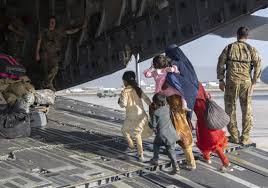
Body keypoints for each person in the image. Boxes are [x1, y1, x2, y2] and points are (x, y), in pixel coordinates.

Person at [217, 26, 262, 145]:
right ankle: (245, 137)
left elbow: (221, 63)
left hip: (231, 82)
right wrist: (254, 81)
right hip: (245, 83)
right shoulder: (251, 49)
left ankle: (235, 136)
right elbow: (258, 64)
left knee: (230, 110)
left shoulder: (229, 47)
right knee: (247, 110)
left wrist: (221, 80)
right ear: (247, 37)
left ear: (236, 35)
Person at [164, 44, 199, 170]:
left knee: (180, 126)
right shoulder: (186, 62)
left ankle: (190, 159)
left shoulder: (174, 63)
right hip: (191, 93)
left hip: (179, 98)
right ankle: (187, 151)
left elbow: (172, 76)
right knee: (185, 122)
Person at [36, 16, 86, 91]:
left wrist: (80, 28)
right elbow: (39, 41)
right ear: (48, 23)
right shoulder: (44, 31)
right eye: (51, 22)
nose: (52, 23)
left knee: (55, 69)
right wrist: (37, 53)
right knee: (45, 72)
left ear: (55, 23)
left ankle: (44, 84)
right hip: (45, 54)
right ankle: (47, 85)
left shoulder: (58, 31)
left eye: (53, 22)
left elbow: (70, 31)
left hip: (54, 55)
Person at [194, 83, 231, 172]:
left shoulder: (191, 93)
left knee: (210, 142)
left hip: (204, 123)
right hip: (210, 121)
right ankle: (206, 157)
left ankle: (225, 162)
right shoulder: (197, 84)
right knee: (212, 141)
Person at [118, 71, 153, 162]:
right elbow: (147, 99)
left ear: (125, 81)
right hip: (141, 115)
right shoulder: (138, 89)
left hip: (131, 116)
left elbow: (123, 104)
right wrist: (153, 107)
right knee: (137, 135)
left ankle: (132, 146)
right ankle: (139, 154)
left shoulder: (124, 92)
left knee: (124, 130)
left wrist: (120, 99)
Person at [149, 93, 180, 175]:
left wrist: (148, 120)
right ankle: (175, 167)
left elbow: (153, 125)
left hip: (162, 134)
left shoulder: (156, 113)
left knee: (156, 144)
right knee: (171, 150)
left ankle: (155, 159)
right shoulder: (168, 107)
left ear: (156, 102)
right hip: (171, 133)